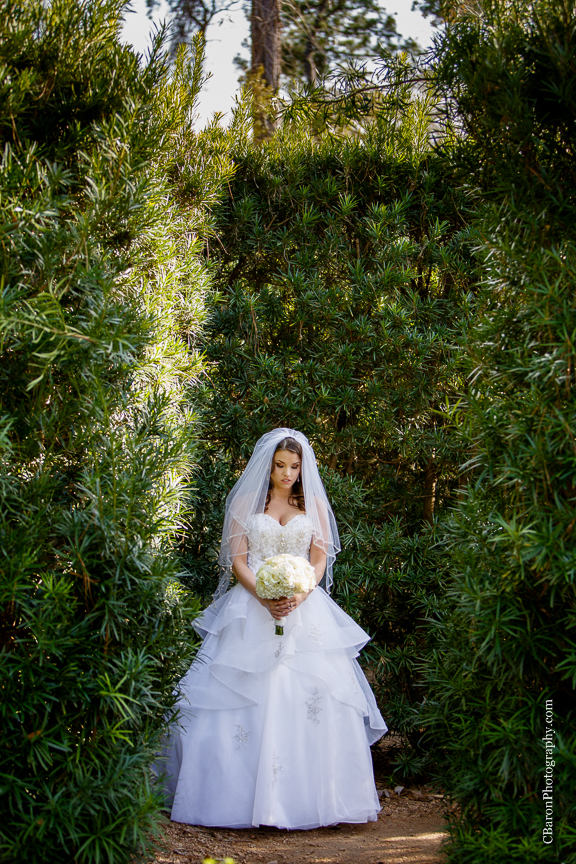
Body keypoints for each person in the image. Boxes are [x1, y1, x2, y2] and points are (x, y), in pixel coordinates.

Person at [159, 428, 387, 829]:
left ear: (303, 468)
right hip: (251, 606)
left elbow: (318, 560)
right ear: (269, 466)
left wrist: (300, 593)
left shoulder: (313, 504)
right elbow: (239, 561)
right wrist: (264, 597)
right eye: (280, 465)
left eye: (294, 466)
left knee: (309, 693)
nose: (287, 473)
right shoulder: (247, 502)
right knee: (239, 694)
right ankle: (235, 800)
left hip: (303, 608)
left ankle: (305, 802)